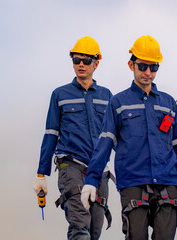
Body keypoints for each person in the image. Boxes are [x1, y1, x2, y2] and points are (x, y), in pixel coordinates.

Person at [81, 35, 177, 240]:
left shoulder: (168, 103)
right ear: (131, 64)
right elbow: (104, 144)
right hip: (133, 183)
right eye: (143, 66)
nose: (147, 73)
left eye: (153, 67)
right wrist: (91, 180)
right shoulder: (117, 103)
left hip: (167, 181)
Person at [33, 36, 113, 240]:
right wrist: (42, 175)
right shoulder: (60, 95)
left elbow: (117, 138)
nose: (80, 65)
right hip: (71, 167)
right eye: (76, 60)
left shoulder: (107, 96)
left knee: (94, 232)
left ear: (96, 62)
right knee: (80, 226)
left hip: (100, 172)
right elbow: (51, 133)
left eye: (86, 61)